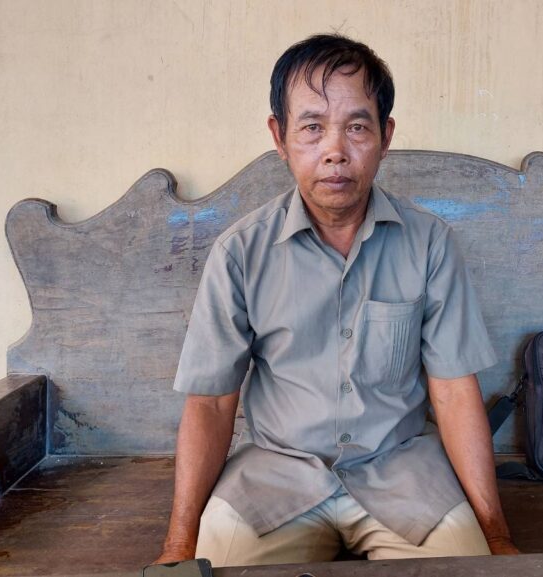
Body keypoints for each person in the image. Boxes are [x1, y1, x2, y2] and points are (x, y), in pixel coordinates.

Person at [155, 33, 517, 567]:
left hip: (404, 475)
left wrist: (497, 535)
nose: (334, 151)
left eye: (356, 126)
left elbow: (455, 392)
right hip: (274, 479)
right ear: (279, 137)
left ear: (385, 135)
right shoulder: (240, 253)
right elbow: (210, 402)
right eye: (311, 127)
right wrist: (178, 546)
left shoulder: (429, 244)